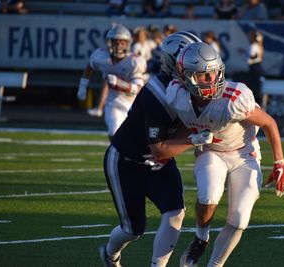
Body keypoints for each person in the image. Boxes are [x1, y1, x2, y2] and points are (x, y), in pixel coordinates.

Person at [163, 42, 284, 267]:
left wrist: (280, 163)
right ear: (187, 76)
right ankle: (201, 237)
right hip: (211, 151)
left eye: (215, 72)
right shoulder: (177, 94)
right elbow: (185, 122)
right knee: (208, 195)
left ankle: (215, 264)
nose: (212, 79)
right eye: (205, 75)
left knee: (240, 218)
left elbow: (269, 123)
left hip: (244, 155)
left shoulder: (234, 98)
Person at [99, 31, 203, 267]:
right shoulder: (157, 94)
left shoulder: (192, 85)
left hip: (159, 165)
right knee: (132, 229)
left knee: (175, 212)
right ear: (174, 63)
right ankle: (109, 255)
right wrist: (195, 138)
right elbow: (160, 149)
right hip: (127, 162)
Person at [77, 24, 147, 140]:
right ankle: (116, 155)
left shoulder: (134, 62)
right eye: (116, 42)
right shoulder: (101, 56)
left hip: (134, 104)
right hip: (114, 103)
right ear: (110, 43)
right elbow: (90, 66)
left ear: (128, 44)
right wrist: (83, 85)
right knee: (113, 133)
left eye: (122, 42)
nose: (119, 45)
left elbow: (138, 88)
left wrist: (118, 83)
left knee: (140, 138)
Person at [238, 30, 265, 103]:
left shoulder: (253, 46)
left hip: (255, 70)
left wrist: (242, 53)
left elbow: (250, 60)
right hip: (257, 69)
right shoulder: (258, 46)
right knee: (256, 91)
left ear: (253, 38)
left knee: (254, 91)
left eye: (250, 36)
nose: (249, 38)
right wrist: (244, 52)